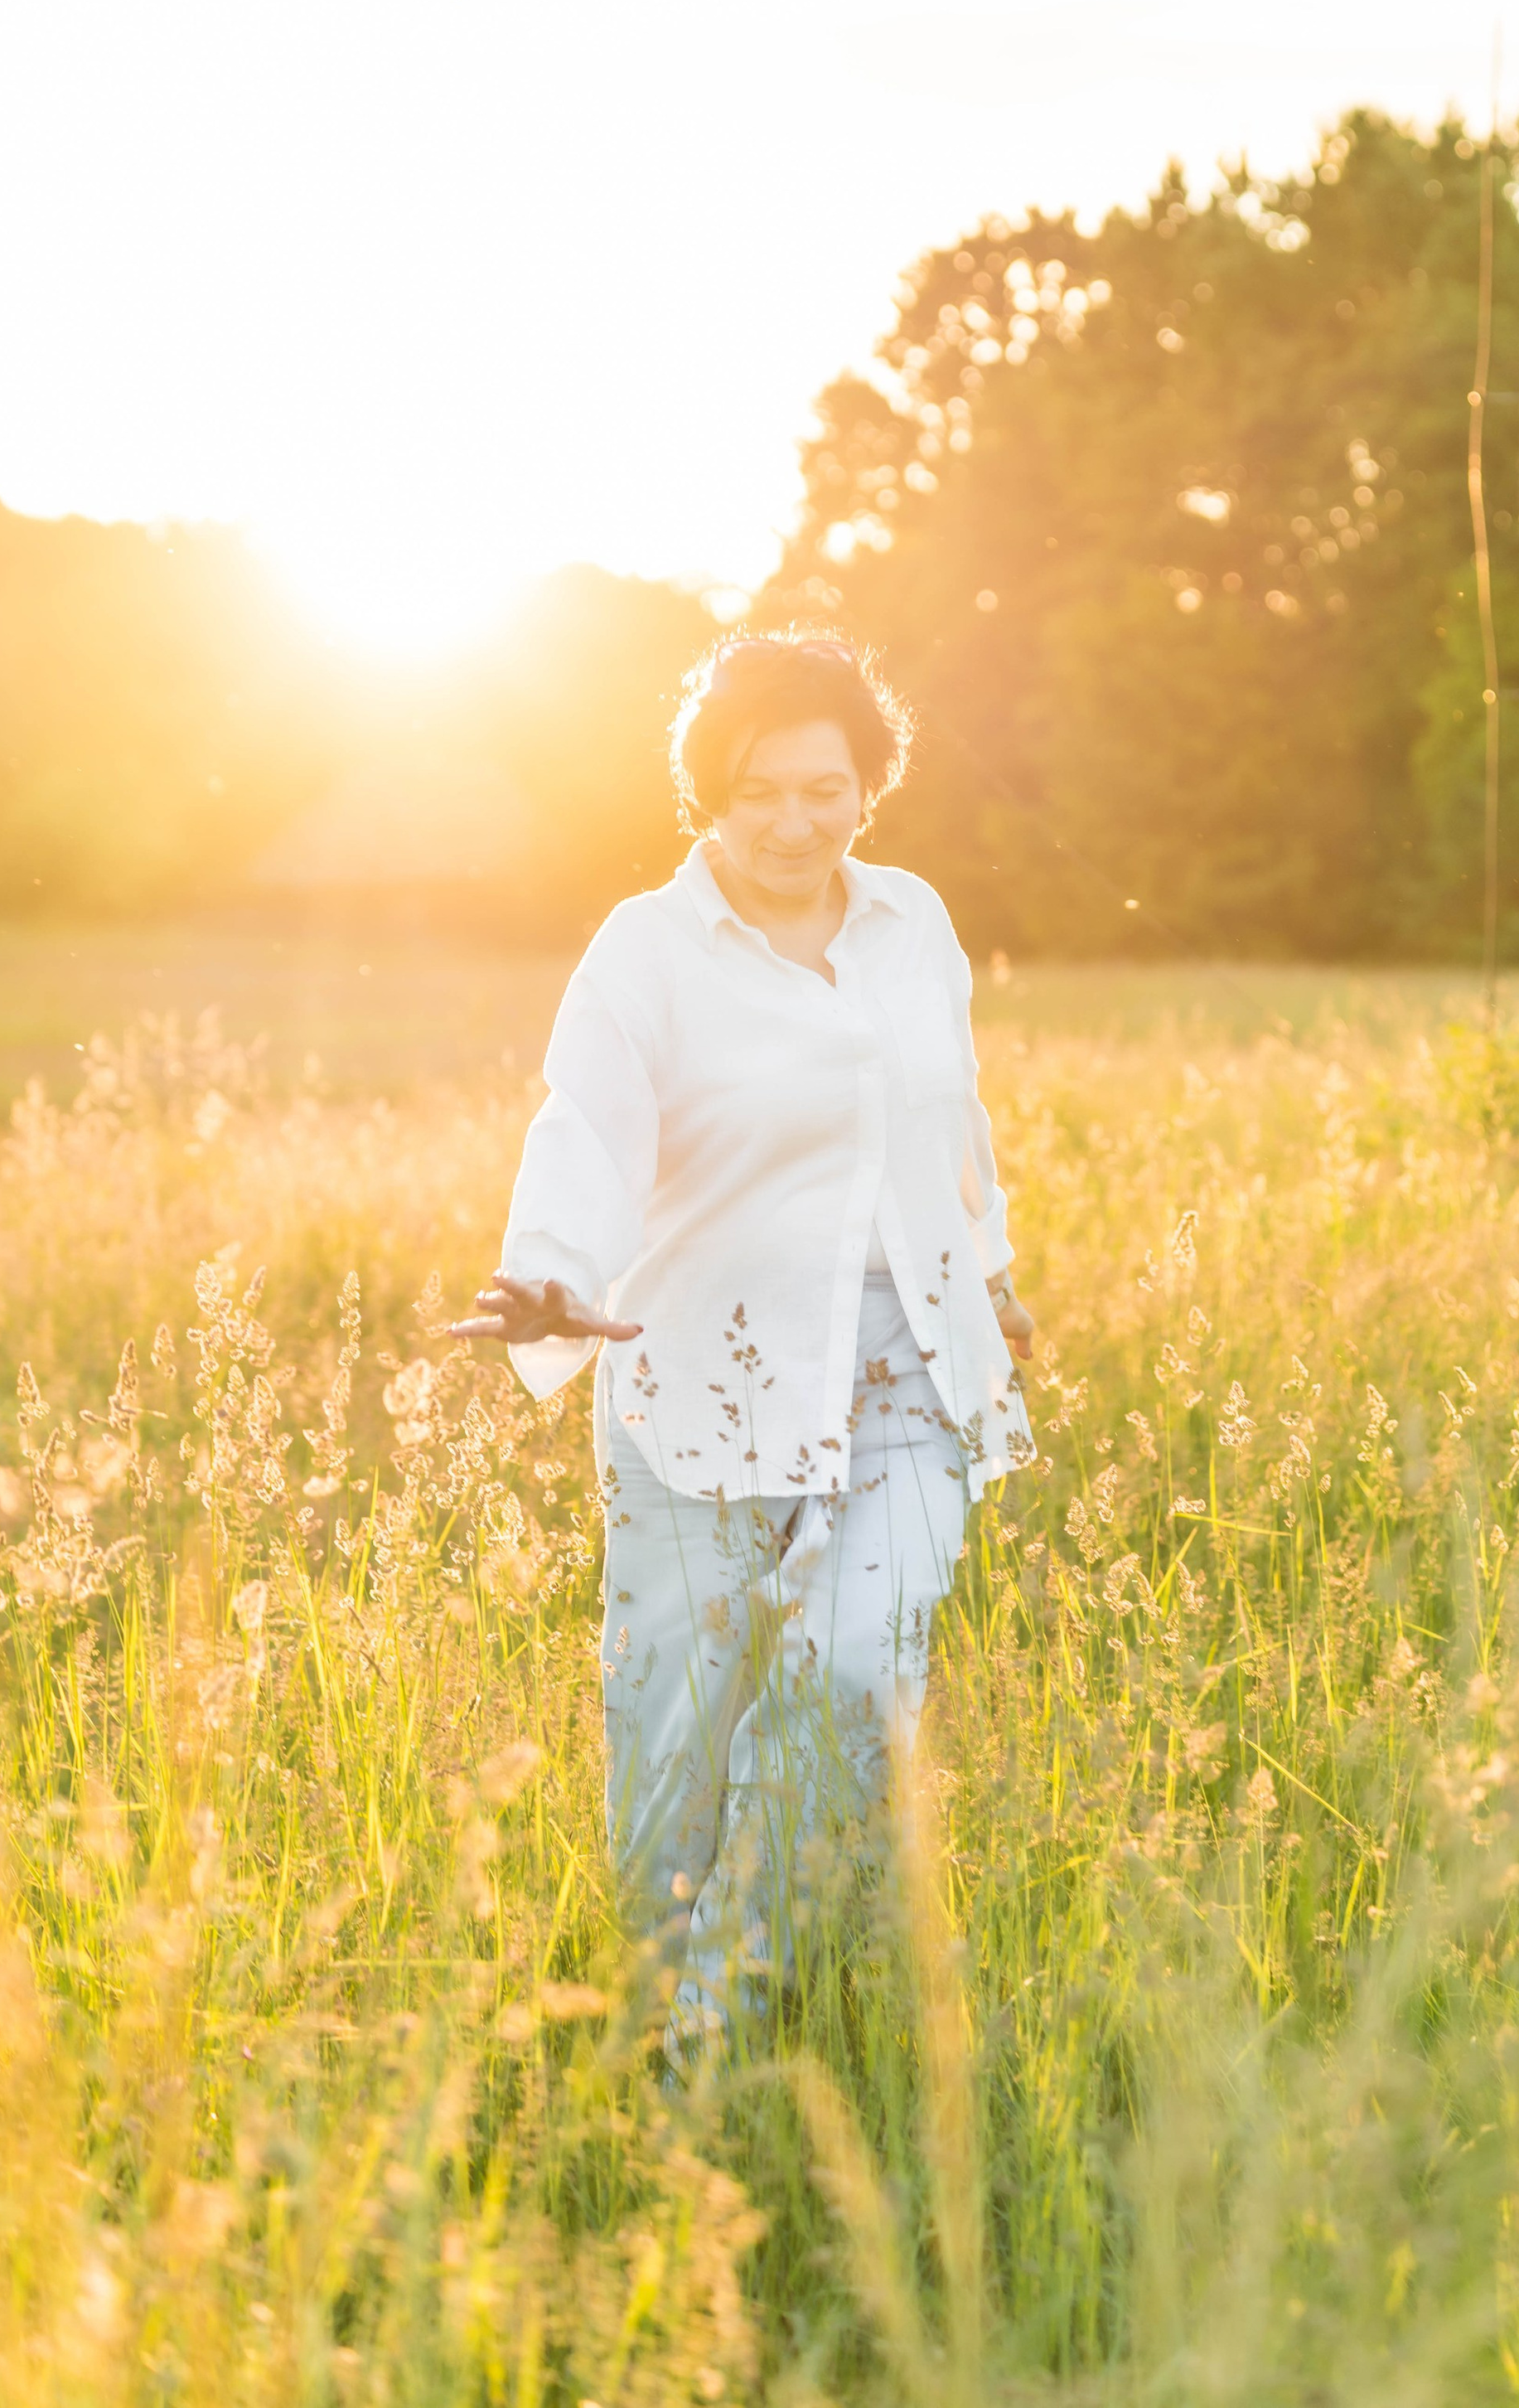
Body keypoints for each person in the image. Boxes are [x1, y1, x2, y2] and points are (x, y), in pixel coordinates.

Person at [450, 629, 1034, 2049]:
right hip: (704, 1372)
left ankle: (712, 2029)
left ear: (869, 784)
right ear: (709, 791)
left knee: (853, 1676)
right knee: (680, 1742)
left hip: (909, 1369)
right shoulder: (647, 949)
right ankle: (652, 2013)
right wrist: (551, 1278)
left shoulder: (913, 923)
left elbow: (951, 1115)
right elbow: (588, 1129)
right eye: (759, 790)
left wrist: (995, 1274)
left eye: (825, 788)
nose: (793, 822)